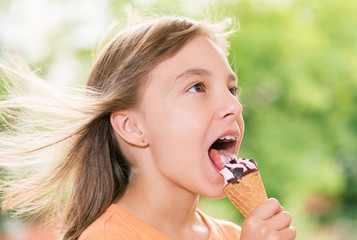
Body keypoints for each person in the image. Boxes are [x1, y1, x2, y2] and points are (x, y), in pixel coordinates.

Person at [0, 15, 296, 240]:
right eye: (197, 87)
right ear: (132, 127)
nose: (235, 106)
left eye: (232, 90)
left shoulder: (235, 234)